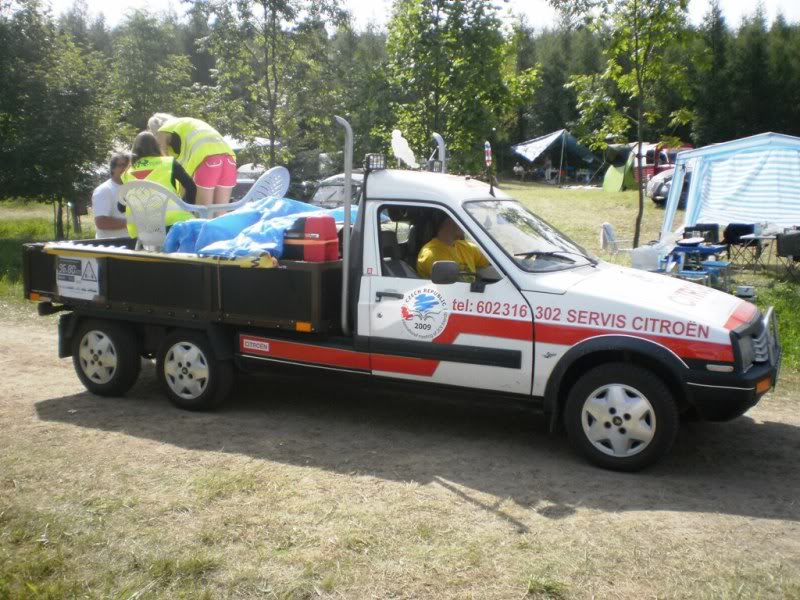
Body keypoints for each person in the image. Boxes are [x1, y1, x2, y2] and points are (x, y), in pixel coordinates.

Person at [147, 113, 236, 208]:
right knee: (219, 215)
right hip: (229, 160)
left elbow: (164, 164)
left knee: (203, 213)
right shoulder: (186, 125)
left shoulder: (161, 132)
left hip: (208, 161)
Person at [121, 131, 197, 238]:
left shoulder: (127, 173)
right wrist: (187, 206)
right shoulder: (169, 163)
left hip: (142, 230)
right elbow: (191, 187)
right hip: (173, 223)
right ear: (156, 146)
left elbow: (120, 206)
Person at [417, 214, 491, 280]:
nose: (467, 225)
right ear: (450, 222)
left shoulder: (467, 247)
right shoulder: (431, 254)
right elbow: (452, 287)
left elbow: (493, 263)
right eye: (463, 221)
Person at [91, 153, 130, 239]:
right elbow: (101, 222)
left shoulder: (133, 189)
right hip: (112, 247)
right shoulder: (104, 190)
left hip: (134, 245)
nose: (126, 169)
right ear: (113, 169)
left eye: (129, 166)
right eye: (122, 165)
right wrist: (132, 222)